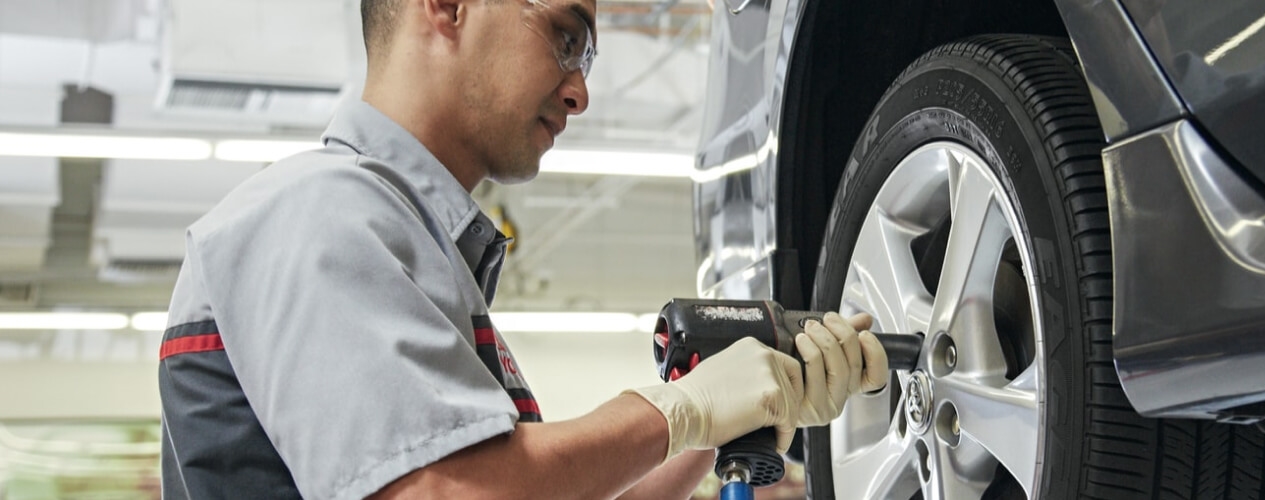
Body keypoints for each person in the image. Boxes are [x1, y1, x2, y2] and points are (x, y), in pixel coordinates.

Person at [155, 0, 889, 498]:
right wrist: (679, 410)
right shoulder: (315, 212)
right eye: (566, 38)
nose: (580, 93)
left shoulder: (413, 249)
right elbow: (444, 493)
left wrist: (726, 419)